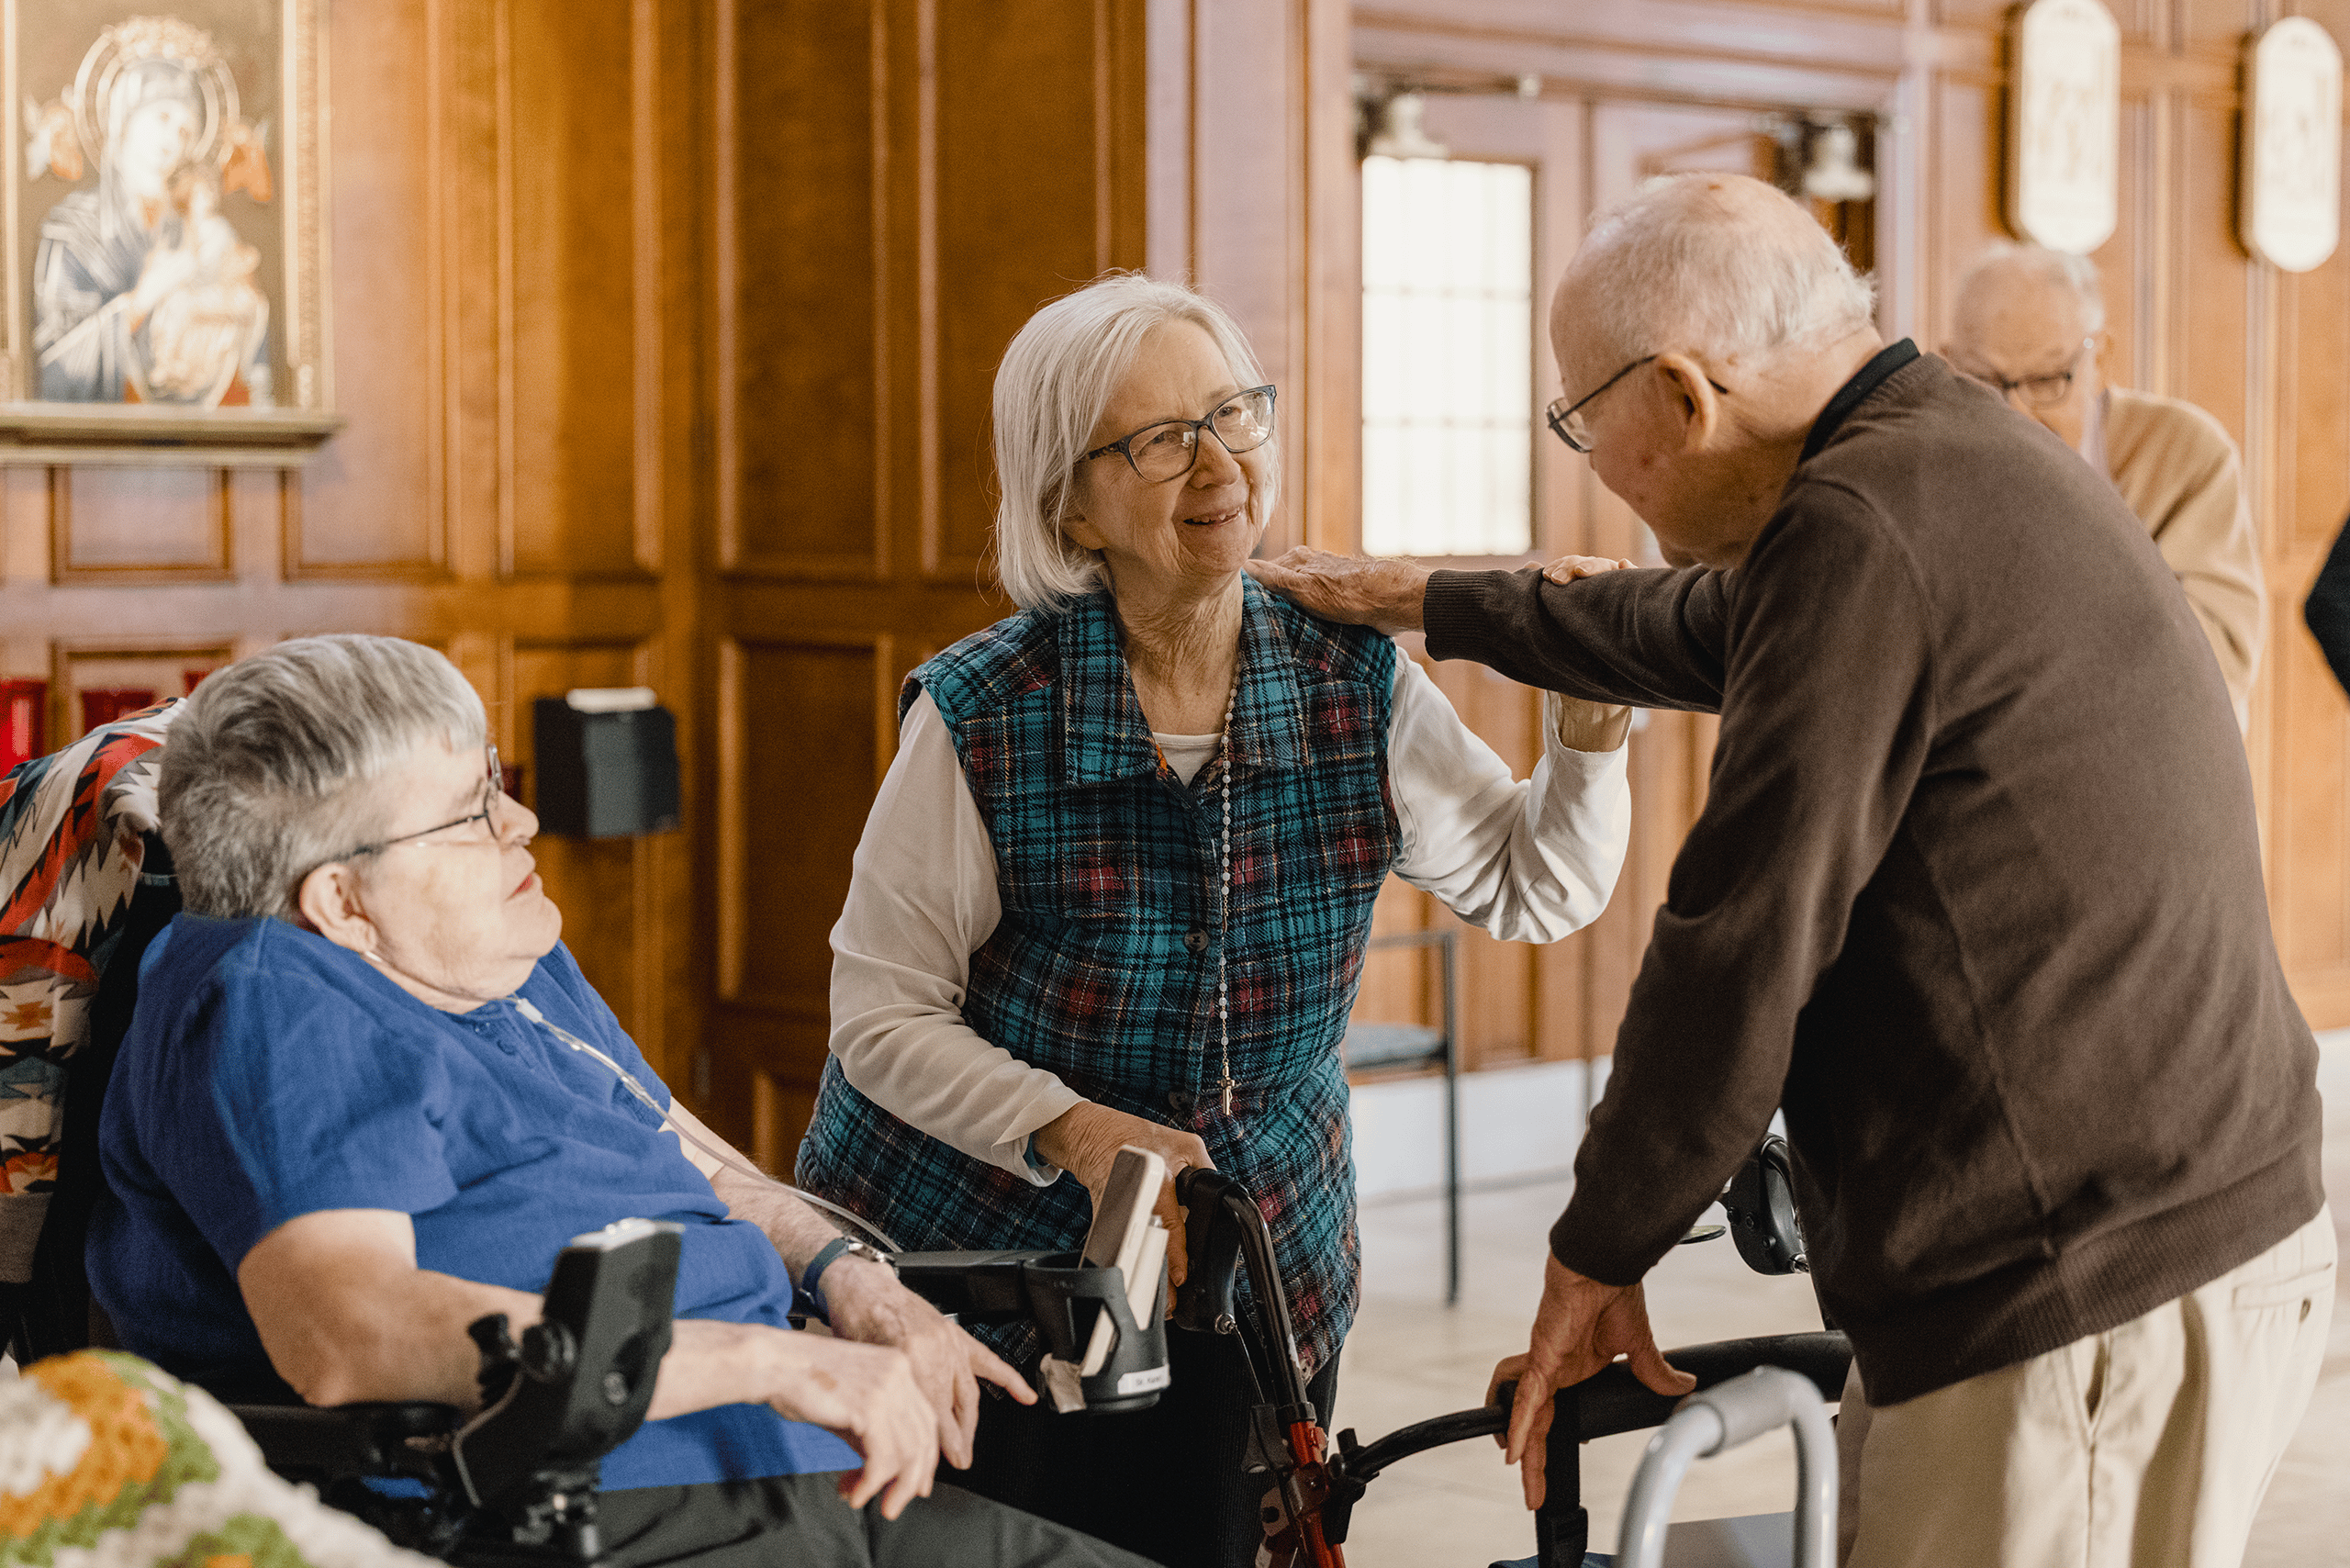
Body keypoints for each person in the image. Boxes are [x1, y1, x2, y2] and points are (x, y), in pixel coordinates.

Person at [1250, 174, 2333, 1568]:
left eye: (1584, 422)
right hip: (2161, 1230)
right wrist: (1430, 601)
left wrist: (1600, 1247)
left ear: (1686, 399)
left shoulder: (1863, 524)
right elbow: (1700, 621)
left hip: (2089, 1279)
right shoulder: (1934, 449)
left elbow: (1738, 943)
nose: (1590, 464)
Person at [796, 273, 1636, 1567]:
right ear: (1070, 501)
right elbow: (881, 1021)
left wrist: (1589, 736)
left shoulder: (1352, 678)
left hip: (1256, 1249)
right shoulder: (983, 710)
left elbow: (1537, 887)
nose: (1222, 461)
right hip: (979, 1257)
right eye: (1160, 439)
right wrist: (1070, 1128)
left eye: (1236, 414)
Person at [86, 634, 1148, 1568]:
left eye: (496, 781)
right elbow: (348, 1331)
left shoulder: (504, 955)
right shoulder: (278, 996)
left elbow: (712, 1171)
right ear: (342, 901)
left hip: (794, 1478)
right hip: (589, 1513)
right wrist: (781, 1361)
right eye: (470, 813)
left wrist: (851, 1281)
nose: (523, 818)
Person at [1946, 243, 2265, 728]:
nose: (2016, 413)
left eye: (2048, 379)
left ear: (2101, 357)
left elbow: (2220, 659)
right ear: (1947, 365)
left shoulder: (2185, 454)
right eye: (1984, 382)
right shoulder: (1932, 462)